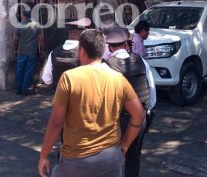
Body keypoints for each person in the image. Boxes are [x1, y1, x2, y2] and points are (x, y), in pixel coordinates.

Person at [38, 29, 145, 177]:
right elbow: (139, 114)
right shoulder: (118, 78)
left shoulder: (69, 78)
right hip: (111, 157)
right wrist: (125, 145)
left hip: (76, 158)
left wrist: (43, 155)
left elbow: (56, 122)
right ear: (103, 50)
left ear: (81, 51)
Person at [105, 26, 156, 177]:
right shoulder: (141, 61)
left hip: (115, 120)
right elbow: (152, 89)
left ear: (109, 47)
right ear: (126, 45)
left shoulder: (106, 66)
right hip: (139, 118)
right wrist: (147, 111)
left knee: (111, 159)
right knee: (133, 158)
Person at [41, 17, 91, 89]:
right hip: (81, 96)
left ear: (68, 34)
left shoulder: (53, 53)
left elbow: (47, 80)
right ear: (83, 35)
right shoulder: (86, 52)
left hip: (60, 97)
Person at [14, 10, 43, 95]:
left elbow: (15, 39)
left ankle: (18, 89)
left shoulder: (19, 25)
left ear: (23, 16)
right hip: (32, 52)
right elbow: (41, 39)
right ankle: (25, 89)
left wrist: (15, 49)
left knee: (19, 70)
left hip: (21, 52)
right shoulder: (36, 25)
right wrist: (41, 50)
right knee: (29, 71)